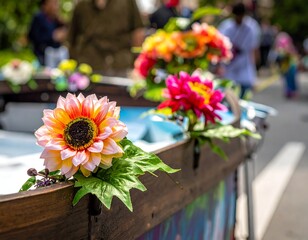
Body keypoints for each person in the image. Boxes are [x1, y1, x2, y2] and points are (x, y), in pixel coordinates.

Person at [67, 0, 145, 76]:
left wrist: (137, 64)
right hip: (89, 67)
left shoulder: (127, 2)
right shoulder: (82, 5)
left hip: (121, 65)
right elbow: (72, 39)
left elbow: (138, 32)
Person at [218, 3, 260, 99]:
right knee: (229, 95)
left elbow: (254, 49)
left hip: (245, 64)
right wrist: (219, 66)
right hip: (229, 65)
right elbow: (220, 47)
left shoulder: (252, 27)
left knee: (244, 96)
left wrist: (256, 69)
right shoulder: (226, 27)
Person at [28, 0, 68, 67]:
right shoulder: (39, 17)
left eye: (57, 3)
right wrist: (53, 36)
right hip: (42, 57)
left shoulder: (55, 19)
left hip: (57, 56)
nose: (56, 6)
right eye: (54, 3)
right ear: (45, 4)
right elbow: (33, 37)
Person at [274, 32, 298, 99]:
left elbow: (294, 58)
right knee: (287, 80)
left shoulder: (290, 50)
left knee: (291, 79)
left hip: (291, 67)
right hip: (285, 68)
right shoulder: (282, 52)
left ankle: (292, 91)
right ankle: (289, 91)